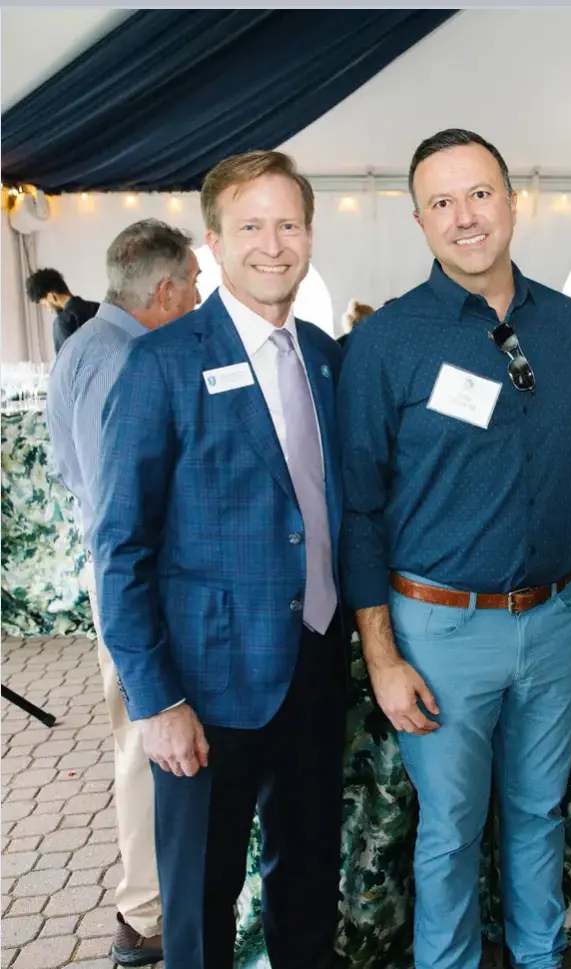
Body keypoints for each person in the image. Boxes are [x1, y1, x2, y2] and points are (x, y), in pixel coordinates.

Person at [337, 127, 571, 969]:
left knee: (538, 815)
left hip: (557, 615)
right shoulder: (387, 340)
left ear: (511, 199)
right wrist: (382, 656)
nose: (465, 217)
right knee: (451, 832)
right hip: (440, 631)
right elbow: (359, 509)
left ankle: (539, 957)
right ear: (420, 220)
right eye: (442, 202)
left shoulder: (568, 322)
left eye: (479, 194)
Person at [90, 150, 347, 969]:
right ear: (212, 242)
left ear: (308, 234)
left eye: (288, 224)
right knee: (201, 904)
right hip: (202, 690)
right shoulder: (160, 362)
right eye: (250, 226)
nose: (272, 244)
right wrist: (155, 696)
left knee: (307, 882)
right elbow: (121, 544)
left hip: (313, 662)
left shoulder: (325, 355)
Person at [45, 218, 201, 967]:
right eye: (195, 284)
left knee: (136, 746)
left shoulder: (80, 347)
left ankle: (150, 903)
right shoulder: (133, 361)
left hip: (113, 583)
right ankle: (145, 915)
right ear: (165, 291)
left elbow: (68, 470)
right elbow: (128, 506)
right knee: (150, 748)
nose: (200, 297)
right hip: (140, 590)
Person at [26, 267, 100, 353]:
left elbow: (66, 363)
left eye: (45, 304)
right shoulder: (99, 307)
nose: (48, 309)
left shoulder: (62, 321)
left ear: (51, 297)